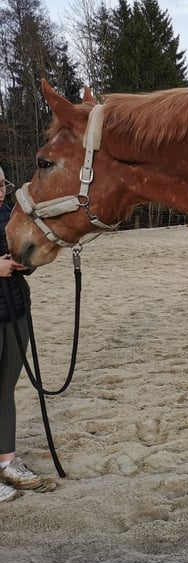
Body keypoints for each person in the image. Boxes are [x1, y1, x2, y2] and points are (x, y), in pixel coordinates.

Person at [0, 166, 56, 502]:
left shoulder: (11, 215)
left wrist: (26, 263)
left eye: (2, 183)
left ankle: (6, 461)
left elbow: (27, 251)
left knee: (5, 390)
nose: (0, 189)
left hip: (15, 311)